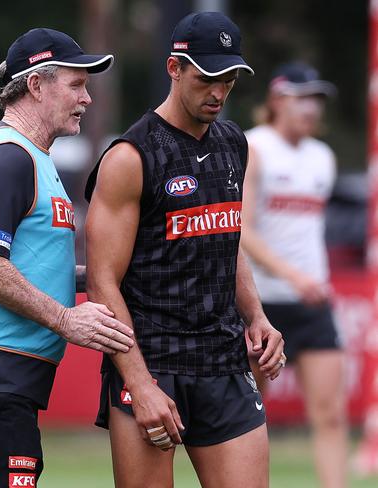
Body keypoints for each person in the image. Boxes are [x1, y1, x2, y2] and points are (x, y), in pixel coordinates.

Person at [85, 11, 286, 488]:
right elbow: (101, 282)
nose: (219, 92)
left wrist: (255, 316)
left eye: (230, 79)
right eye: (207, 78)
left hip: (222, 359)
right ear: (174, 69)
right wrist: (138, 383)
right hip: (152, 363)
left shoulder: (234, 143)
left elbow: (227, 239)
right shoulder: (130, 156)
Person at [0, 27, 135, 488]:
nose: (87, 99)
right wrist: (65, 319)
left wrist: (109, 275)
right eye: (76, 85)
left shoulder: (35, 159)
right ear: (37, 85)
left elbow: (30, 262)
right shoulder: (10, 158)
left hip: (3, 376)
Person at [241, 62, 348, 488]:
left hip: (312, 301)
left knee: (332, 413)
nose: (311, 108)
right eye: (303, 98)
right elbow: (242, 229)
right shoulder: (254, 147)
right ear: (278, 100)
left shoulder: (323, 157)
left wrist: (308, 280)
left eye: (317, 100)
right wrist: (291, 275)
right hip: (262, 302)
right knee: (248, 415)